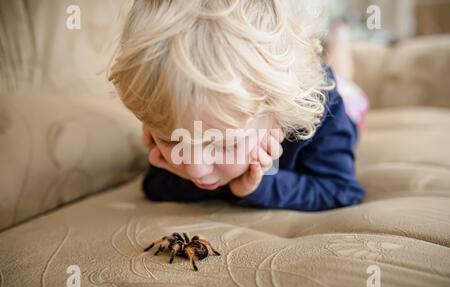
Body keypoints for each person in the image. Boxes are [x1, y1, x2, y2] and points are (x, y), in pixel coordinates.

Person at [108, 0, 365, 211]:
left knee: (344, 78)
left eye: (225, 144)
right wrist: (222, 181)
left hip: (341, 99)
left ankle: (339, 35)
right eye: (172, 141)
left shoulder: (322, 110)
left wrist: (258, 185)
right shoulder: (183, 113)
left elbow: (340, 190)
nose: (195, 168)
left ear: (275, 110)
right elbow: (155, 186)